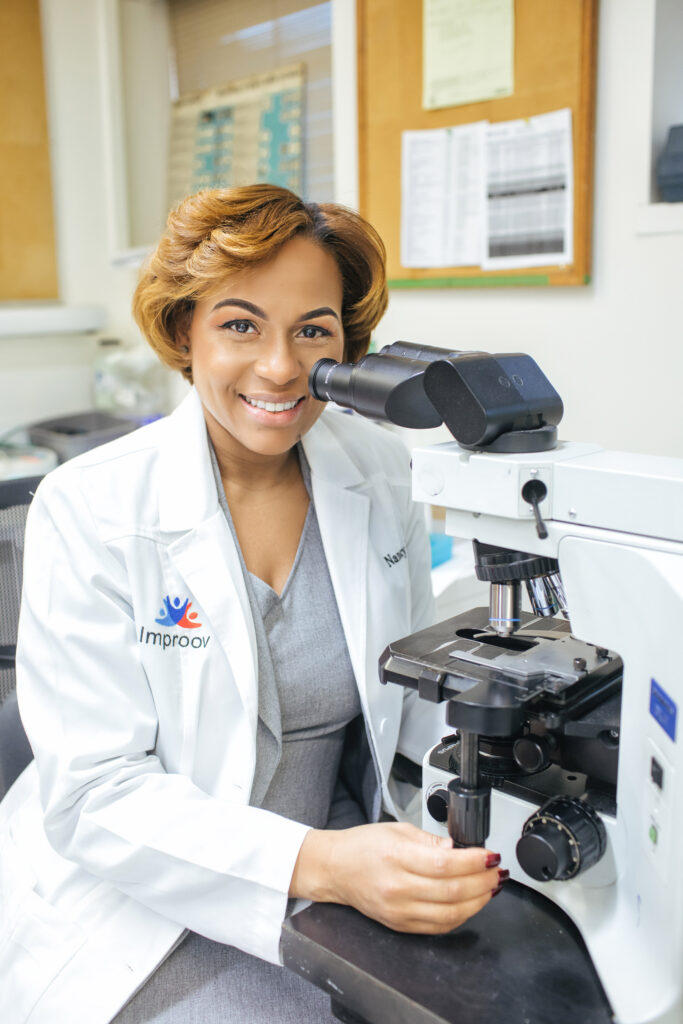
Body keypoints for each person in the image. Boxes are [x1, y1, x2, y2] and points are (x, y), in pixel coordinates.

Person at [0, 185, 505, 1024]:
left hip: (340, 846)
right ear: (183, 331)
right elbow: (95, 798)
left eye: (312, 329)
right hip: (139, 892)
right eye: (240, 325)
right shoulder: (89, 504)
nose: (279, 367)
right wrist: (321, 864)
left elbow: (408, 707)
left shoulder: (379, 472)